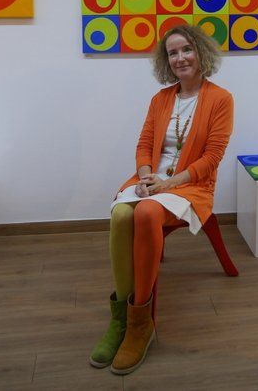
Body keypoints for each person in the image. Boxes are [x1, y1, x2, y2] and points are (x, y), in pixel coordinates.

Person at [89, 24, 234, 375]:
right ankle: (121, 319)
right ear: (165, 61)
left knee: (146, 214)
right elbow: (144, 143)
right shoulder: (161, 99)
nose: (180, 57)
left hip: (191, 185)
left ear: (200, 52)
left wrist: (168, 184)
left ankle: (142, 324)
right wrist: (144, 176)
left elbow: (212, 157)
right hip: (152, 181)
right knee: (121, 215)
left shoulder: (221, 99)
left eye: (186, 49)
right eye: (172, 53)